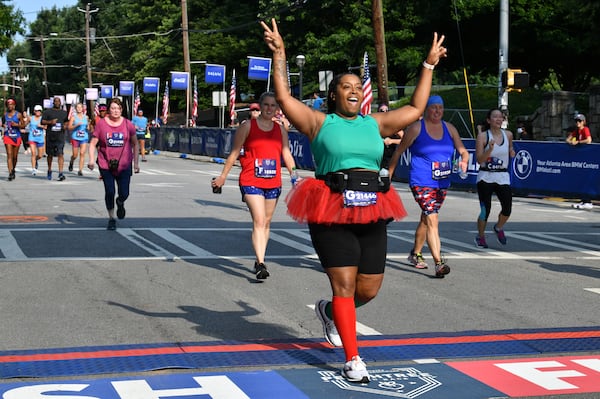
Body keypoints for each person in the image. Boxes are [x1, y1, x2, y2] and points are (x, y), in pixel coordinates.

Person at [262, 18, 446, 383]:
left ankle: (330, 312)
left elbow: (415, 108)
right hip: (331, 206)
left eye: (355, 87)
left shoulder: (375, 123)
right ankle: (353, 358)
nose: (351, 91)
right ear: (333, 95)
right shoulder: (318, 122)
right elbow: (283, 97)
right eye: (344, 87)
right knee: (344, 284)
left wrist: (428, 65)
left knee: (370, 288)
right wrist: (280, 54)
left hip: (373, 206)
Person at [211, 92, 297, 280]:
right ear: (260, 106)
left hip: (273, 182)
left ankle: (260, 257)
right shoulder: (247, 126)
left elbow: (286, 154)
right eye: (265, 105)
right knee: (259, 220)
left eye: (273, 106)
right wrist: (223, 176)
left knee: (266, 222)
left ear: (277, 109)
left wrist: (295, 176)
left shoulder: (280, 129)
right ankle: (260, 263)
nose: (269, 109)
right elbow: (234, 153)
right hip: (251, 180)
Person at [388, 95, 468, 276]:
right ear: (426, 110)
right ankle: (439, 263)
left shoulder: (449, 128)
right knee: (432, 218)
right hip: (421, 181)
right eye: (433, 108)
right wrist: (388, 175)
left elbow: (462, 149)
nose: (437, 111)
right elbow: (399, 151)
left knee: (426, 218)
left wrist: (464, 159)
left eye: (440, 108)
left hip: (442, 182)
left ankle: (415, 253)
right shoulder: (416, 128)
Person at [87, 98, 140, 230]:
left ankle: (120, 202)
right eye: (113, 108)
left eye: (118, 108)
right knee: (110, 191)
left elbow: (135, 143)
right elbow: (93, 143)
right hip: (106, 164)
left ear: (121, 110)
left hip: (124, 164)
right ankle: (111, 218)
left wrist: (136, 163)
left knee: (124, 193)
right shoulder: (102, 125)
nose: (115, 111)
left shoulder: (128, 125)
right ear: (109, 110)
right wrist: (91, 160)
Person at [474, 108, 516, 248]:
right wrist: (489, 150)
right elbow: (479, 160)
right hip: (485, 176)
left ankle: (498, 227)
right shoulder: (483, 137)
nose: (498, 119)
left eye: (500, 117)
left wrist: (511, 151)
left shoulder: (508, 134)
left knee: (507, 208)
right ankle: (480, 237)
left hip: (502, 176)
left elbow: (509, 148)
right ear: (489, 120)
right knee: (486, 210)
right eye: (495, 117)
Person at [567, 113, 593, 209]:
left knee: (586, 178)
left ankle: (588, 201)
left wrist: (578, 142)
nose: (578, 122)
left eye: (580, 121)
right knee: (580, 178)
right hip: (580, 159)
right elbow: (568, 139)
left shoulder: (585, 129)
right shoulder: (576, 131)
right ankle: (583, 200)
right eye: (576, 121)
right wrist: (571, 142)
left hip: (587, 159)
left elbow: (589, 140)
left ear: (583, 122)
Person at [41, 97, 69, 181]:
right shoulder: (48, 112)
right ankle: (49, 170)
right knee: (50, 155)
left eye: (59, 101)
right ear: (53, 103)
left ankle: (61, 172)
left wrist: (65, 125)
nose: (57, 103)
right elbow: (42, 121)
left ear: (60, 103)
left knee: (60, 154)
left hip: (60, 136)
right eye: (56, 101)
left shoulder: (64, 113)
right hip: (50, 136)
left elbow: (66, 121)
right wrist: (50, 122)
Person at [2, 98, 25, 181]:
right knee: (9, 154)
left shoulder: (18, 115)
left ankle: (13, 169)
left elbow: (23, 126)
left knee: (14, 156)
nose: (10, 106)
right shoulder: (5, 115)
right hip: (8, 136)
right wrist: (4, 126)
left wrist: (16, 125)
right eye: (8, 105)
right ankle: (10, 172)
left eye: (11, 104)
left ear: (14, 106)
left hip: (16, 136)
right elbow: (3, 123)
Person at [378, 103, 404, 170]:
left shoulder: (394, 126)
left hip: (390, 158)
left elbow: (405, 140)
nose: (384, 112)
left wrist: (391, 141)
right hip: (378, 158)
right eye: (382, 111)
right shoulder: (375, 125)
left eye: (387, 110)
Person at [67, 102, 90, 176]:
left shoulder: (86, 117)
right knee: (75, 155)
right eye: (78, 107)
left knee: (82, 153)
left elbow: (89, 127)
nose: (79, 109)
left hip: (84, 137)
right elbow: (69, 127)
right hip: (75, 137)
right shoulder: (73, 117)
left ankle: (80, 170)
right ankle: (71, 161)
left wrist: (88, 127)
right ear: (76, 109)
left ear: (83, 108)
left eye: (80, 107)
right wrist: (76, 125)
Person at [28, 105, 46, 175]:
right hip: (32, 137)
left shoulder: (43, 119)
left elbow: (46, 127)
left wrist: (41, 126)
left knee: (40, 155)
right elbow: (24, 124)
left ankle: (36, 160)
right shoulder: (30, 118)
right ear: (34, 111)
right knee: (33, 153)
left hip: (40, 138)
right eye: (36, 111)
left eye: (39, 111)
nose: (38, 112)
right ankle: (33, 169)